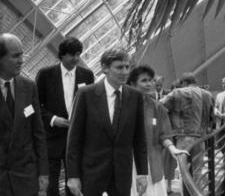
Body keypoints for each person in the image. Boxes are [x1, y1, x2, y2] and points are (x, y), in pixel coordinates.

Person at [66, 48, 148, 196]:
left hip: (122, 175)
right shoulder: (86, 94)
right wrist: (72, 175)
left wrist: (142, 173)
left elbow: (139, 137)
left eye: (127, 67)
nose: (124, 72)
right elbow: (74, 139)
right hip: (92, 173)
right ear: (105, 68)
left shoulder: (135, 96)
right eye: (119, 67)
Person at [36, 37, 94, 196]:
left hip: (76, 139)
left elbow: (90, 106)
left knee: (75, 183)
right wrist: (53, 119)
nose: (76, 59)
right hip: (52, 138)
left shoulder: (87, 75)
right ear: (61, 55)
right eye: (72, 55)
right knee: (51, 185)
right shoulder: (45, 74)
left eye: (78, 54)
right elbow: (37, 106)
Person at [0, 33, 49, 196]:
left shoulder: (29, 87)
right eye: (15, 56)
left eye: (22, 54)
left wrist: (43, 172)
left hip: (26, 178)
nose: (21, 60)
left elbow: (38, 132)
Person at [126, 65, 187, 196]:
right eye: (143, 80)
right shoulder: (121, 106)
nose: (149, 84)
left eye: (150, 80)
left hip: (152, 162)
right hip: (129, 164)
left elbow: (164, 135)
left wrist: (172, 149)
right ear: (132, 83)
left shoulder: (157, 107)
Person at [161, 72, 214, 193]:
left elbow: (159, 106)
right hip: (201, 138)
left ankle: (186, 193)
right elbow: (212, 119)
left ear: (183, 82)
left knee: (184, 171)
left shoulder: (178, 92)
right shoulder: (208, 95)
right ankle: (197, 193)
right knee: (197, 171)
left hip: (183, 138)